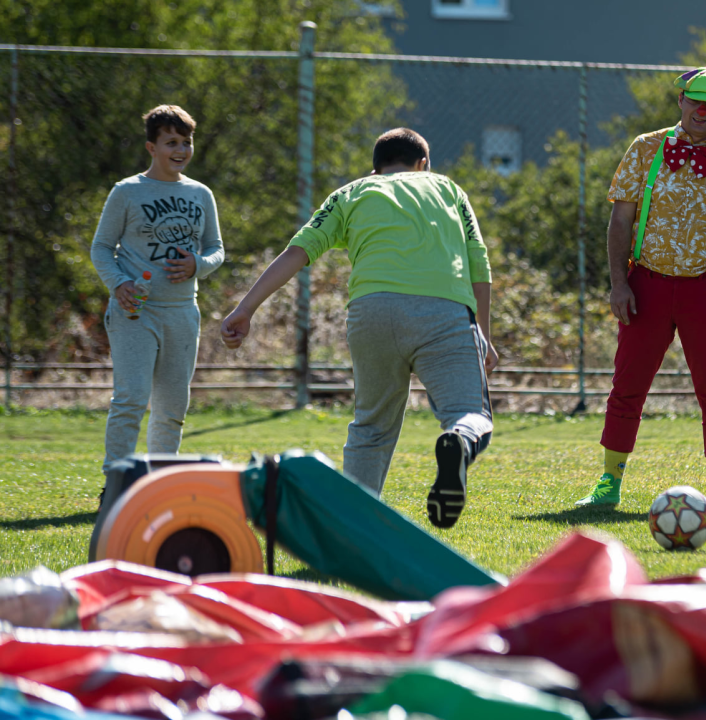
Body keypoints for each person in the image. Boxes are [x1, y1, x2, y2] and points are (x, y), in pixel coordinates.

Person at [220, 128, 496, 529]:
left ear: (376, 168)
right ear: (424, 164)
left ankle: (354, 529)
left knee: (371, 427)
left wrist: (245, 309)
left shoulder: (351, 193)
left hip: (372, 311)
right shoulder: (447, 189)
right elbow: (478, 261)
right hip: (444, 310)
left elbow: (298, 251)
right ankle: (459, 439)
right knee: (471, 414)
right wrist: (483, 333)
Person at [575, 65, 706, 510]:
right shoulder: (645, 149)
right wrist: (618, 284)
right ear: (681, 102)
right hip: (646, 283)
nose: (700, 109)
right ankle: (608, 484)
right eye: (693, 99)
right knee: (628, 384)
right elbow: (620, 220)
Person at [91, 104, 225, 474]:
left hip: (182, 313)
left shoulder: (201, 194)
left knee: (172, 408)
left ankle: (158, 485)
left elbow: (217, 249)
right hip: (136, 312)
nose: (181, 150)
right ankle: (116, 484)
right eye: (171, 143)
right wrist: (119, 283)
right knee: (131, 399)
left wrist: (198, 264)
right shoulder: (127, 191)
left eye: (186, 142)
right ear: (152, 148)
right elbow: (101, 247)